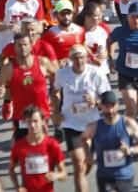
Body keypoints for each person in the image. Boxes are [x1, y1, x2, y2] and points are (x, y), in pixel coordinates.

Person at [52, 44, 111, 192]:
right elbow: (55, 92)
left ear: (87, 58)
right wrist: (56, 112)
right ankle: (80, 178)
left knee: (88, 162)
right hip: (71, 123)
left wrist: (95, 102)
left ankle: (83, 172)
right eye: (76, 58)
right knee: (79, 165)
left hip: (92, 124)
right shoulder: (62, 74)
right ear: (70, 59)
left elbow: (108, 99)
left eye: (82, 57)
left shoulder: (96, 74)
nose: (79, 61)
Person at [82, 89, 138, 192]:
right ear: (100, 106)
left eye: (112, 105)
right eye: (106, 106)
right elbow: (83, 139)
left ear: (118, 105)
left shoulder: (128, 123)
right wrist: (87, 154)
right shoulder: (94, 126)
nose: (110, 110)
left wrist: (130, 150)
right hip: (104, 177)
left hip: (125, 176)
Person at [8, 105, 67, 192]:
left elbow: (64, 174)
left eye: (35, 121)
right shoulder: (19, 146)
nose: (32, 125)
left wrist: (56, 175)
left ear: (42, 121)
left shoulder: (52, 144)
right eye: (29, 122)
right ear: (25, 123)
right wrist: (18, 187)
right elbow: (11, 169)